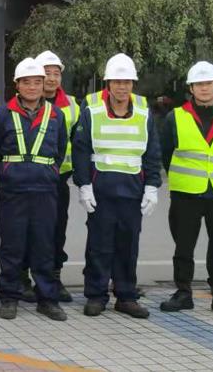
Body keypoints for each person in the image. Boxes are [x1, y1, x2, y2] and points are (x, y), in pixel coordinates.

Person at [72, 53, 161, 318]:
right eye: (117, 82)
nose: (122, 87)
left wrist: (152, 186)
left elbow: (152, 152)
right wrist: (83, 185)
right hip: (101, 192)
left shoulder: (144, 113)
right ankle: (96, 295)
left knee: (128, 247)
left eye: (127, 82)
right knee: (99, 246)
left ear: (133, 84)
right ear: (108, 83)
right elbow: (80, 150)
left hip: (133, 192)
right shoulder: (93, 111)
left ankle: (126, 296)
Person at [0, 58, 68, 321]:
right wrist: (7, 173)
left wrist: (47, 172)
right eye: (27, 82)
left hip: (45, 190)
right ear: (17, 85)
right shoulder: (1, 115)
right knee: (12, 245)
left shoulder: (56, 115)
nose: (32, 87)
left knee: (44, 245)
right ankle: (9, 297)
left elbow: (60, 150)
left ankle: (47, 299)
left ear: (44, 85)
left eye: (37, 82)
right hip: (13, 191)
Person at [160, 61, 213, 319]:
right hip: (187, 193)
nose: (204, 88)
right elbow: (166, 153)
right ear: (191, 88)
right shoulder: (176, 117)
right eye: (198, 84)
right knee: (183, 247)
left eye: (208, 83)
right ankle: (183, 293)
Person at [36, 50, 78, 303]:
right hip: (31, 177)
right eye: (46, 73)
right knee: (30, 230)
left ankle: (54, 277)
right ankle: (25, 278)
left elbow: (79, 142)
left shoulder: (72, 105)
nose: (52, 78)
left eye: (56, 73)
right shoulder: (27, 101)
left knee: (56, 230)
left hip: (59, 178)